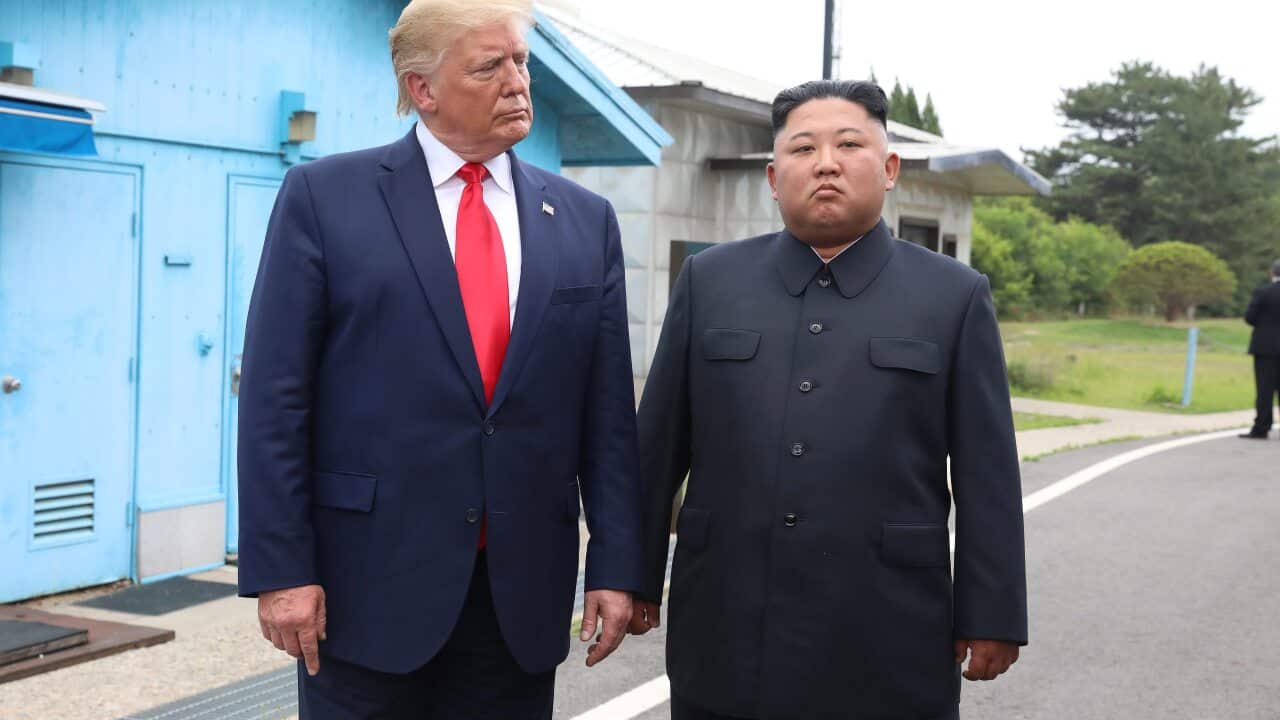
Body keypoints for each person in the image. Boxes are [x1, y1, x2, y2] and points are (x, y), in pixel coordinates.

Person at [236, 1, 643, 716]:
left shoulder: (585, 220)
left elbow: (606, 414)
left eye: (521, 61)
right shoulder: (326, 198)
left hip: (519, 599)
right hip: (365, 591)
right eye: (489, 67)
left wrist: (616, 565)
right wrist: (281, 569)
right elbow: (276, 399)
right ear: (422, 88)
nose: (517, 82)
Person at [629, 80, 1028, 720]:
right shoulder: (711, 281)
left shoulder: (953, 295)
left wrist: (993, 612)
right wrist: (631, 574)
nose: (826, 164)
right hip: (727, 620)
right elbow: (657, 448)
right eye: (803, 148)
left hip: (888, 627)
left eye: (849, 145)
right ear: (772, 176)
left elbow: (989, 474)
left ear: (890, 168)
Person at [1240, 259, 1280, 440]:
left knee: (1265, 389)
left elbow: (1250, 317)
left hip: (1265, 346)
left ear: (1272, 273)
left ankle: (1262, 427)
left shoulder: (1263, 292)